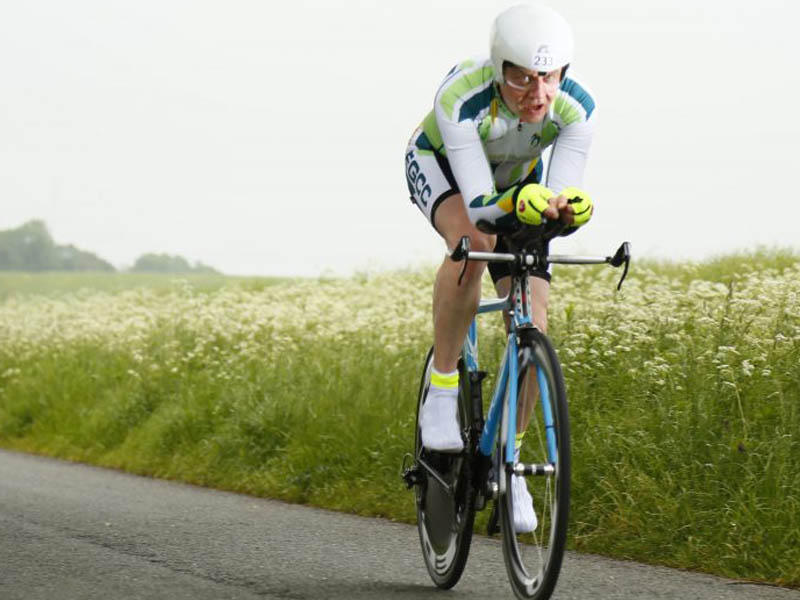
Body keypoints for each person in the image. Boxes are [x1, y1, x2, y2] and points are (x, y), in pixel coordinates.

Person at [404, 3, 596, 533]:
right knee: (473, 240)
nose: (537, 95)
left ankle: (510, 464)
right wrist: (524, 204)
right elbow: (484, 206)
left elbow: (554, 202)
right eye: (522, 79)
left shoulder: (577, 109)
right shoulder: (461, 97)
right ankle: (442, 390)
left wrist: (567, 212)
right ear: (498, 69)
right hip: (444, 169)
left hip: (517, 185)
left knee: (534, 312)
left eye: (550, 78)